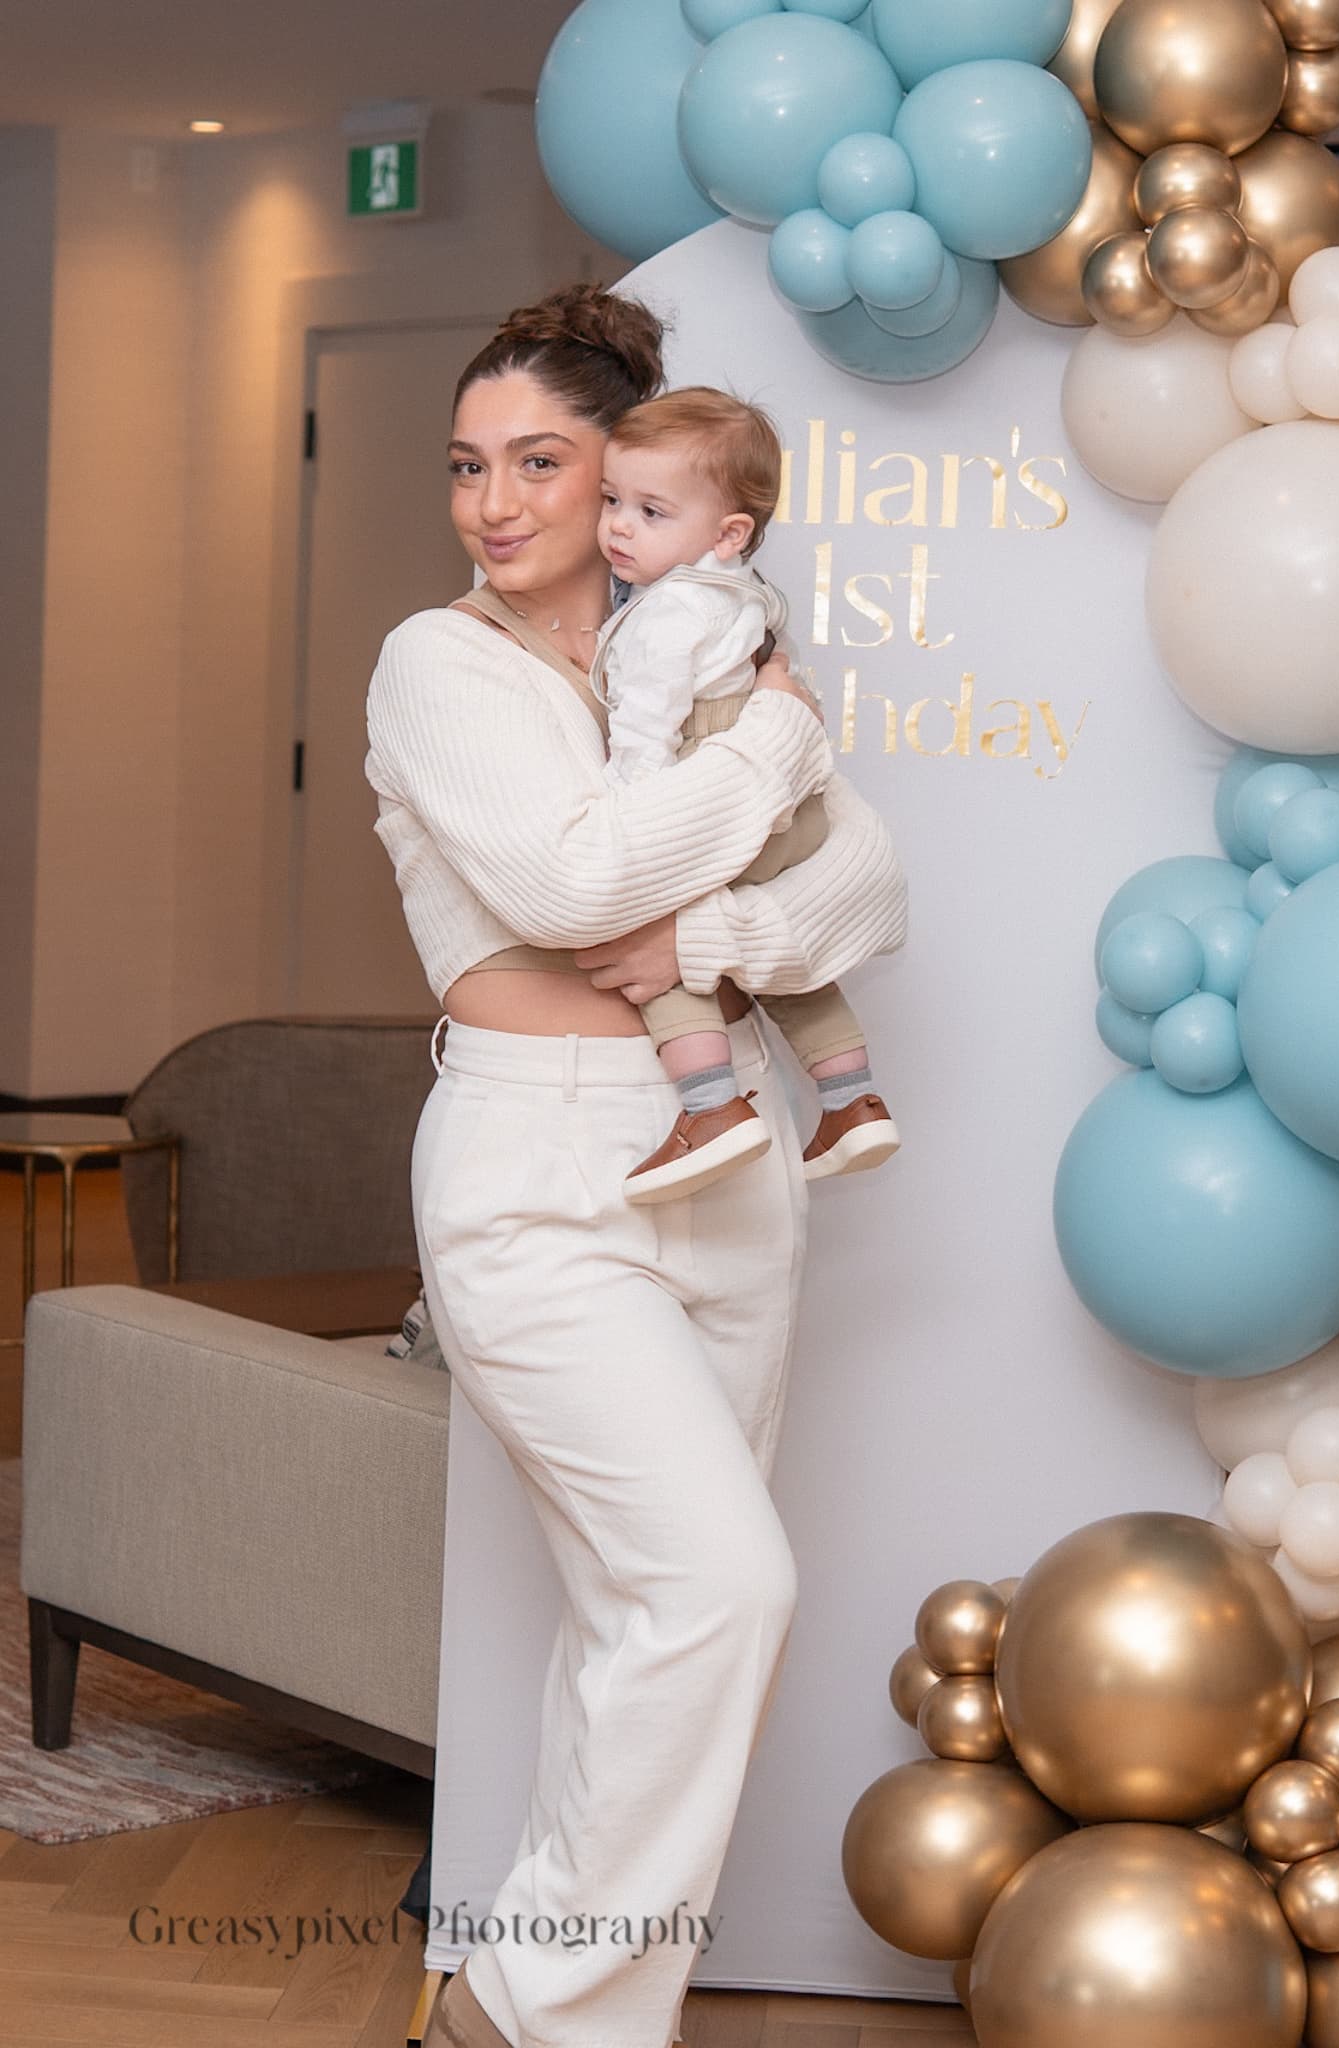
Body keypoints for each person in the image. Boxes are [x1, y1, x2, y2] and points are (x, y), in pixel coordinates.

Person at [363, 282, 907, 2048]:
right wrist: (769, 748)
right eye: (466, 464)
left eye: (539, 461)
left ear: (633, 475)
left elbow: (866, 892)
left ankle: (571, 2010)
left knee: (640, 1617)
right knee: (716, 1581)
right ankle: (524, 2008)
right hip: (533, 1155)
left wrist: (729, 906)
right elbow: (575, 889)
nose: (493, 502)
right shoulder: (441, 662)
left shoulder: (700, 645)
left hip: (724, 1143)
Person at [593, 386, 899, 1204]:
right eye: (611, 500)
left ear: (728, 534)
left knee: (663, 943)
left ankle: (711, 1107)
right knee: (775, 963)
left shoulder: (665, 615)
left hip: (720, 784)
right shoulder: (746, 595)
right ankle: (850, 1098)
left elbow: (648, 732)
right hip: (792, 804)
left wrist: (635, 830)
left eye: (651, 511)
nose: (619, 525)